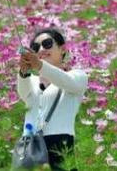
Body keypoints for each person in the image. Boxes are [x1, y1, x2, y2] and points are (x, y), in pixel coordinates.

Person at [17, 26, 88, 171]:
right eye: (36, 47)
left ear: (62, 49)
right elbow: (24, 92)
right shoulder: (31, 81)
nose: (41, 49)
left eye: (47, 44)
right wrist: (24, 71)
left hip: (59, 144)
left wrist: (39, 65)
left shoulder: (77, 76)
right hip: (30, 146)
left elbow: (64, 80)